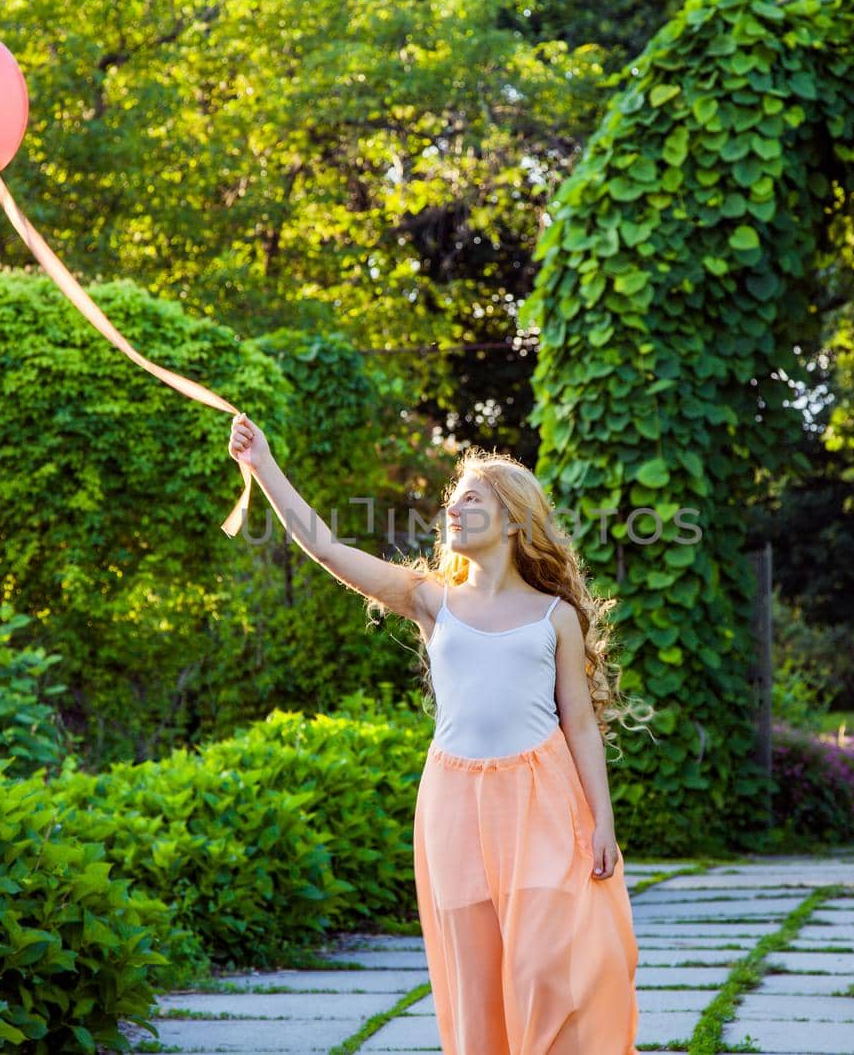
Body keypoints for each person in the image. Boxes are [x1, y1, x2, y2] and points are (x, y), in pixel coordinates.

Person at [226, 412, 648, 1054]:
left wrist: (602, 821)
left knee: (544, 963)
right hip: (453, 802)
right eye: (452, 500)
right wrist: (263, 466)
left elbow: (581, 726)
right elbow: (327, 548)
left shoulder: (555, 617)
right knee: (474, 979)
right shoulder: (431, 600)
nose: (453, 509)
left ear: (511, 520)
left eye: (471, 499)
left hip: (541, 798)